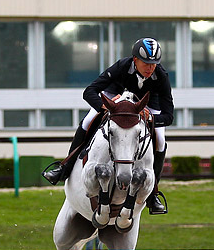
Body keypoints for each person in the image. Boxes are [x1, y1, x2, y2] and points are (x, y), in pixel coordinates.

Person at [42, 37, 173, 214]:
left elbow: (169, 116)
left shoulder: (161, 76)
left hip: (148, 105)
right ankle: (64, 168)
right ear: (135, 60)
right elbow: (89, 92)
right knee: (90, 119)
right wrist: (106, 107)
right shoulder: (121, 66)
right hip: (116, 96)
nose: (150, 68)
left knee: (161, 139)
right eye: (146, 63)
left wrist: (150, 119)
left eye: (154, 64)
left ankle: (153, 194)